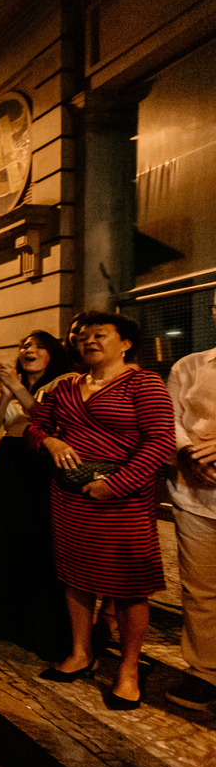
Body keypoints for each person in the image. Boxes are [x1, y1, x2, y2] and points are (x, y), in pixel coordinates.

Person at [26, 313, 174, 709]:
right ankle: (81, 651)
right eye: (80, 336)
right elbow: (34, 427)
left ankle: (128, 669)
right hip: (70, 496)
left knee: (128, 586)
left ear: (124, 342)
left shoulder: (144, 383)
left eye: (98, 335)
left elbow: (160, 443)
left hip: (123, 501)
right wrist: (51, 444)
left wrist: (114, 486)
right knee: (76, 576)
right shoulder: (67, 386)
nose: (87, 341)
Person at [0, 331, 74, 660]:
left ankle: (44, 627)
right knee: (7, 537)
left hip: (40, 460)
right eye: (23, 345)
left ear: (52, 353)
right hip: (9, 458)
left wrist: (18, 389)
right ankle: (8, 619)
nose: (27, 350)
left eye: (36, 346)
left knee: (39, 540)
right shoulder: (11, 384)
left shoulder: (65, 382)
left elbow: (50, 418)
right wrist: (6, 395)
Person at [165, 292, 216, 710]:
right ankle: (203, 674)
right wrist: (187, 453)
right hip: (194, 494)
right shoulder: (190, 366)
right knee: (200, 590)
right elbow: (171, 420)